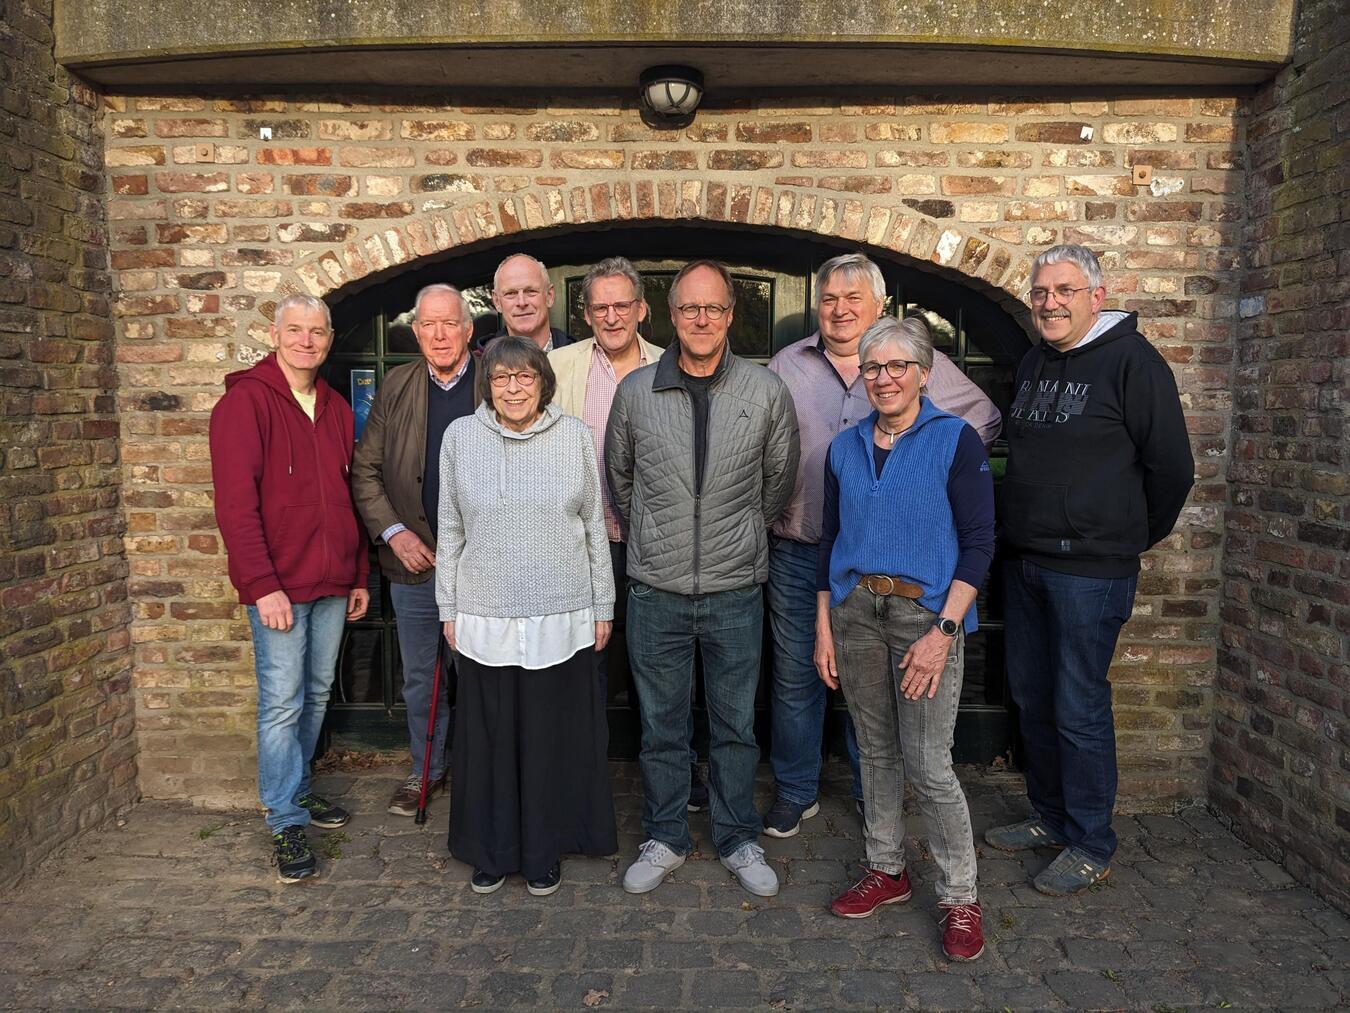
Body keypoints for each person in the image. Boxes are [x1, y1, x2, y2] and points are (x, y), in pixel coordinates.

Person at [764, 252, 1001, 837]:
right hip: (804, 547)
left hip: (885, 565)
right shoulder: (786, 364)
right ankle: (796, 790)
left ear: (878, 306)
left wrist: (921, 477)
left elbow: (983, 418)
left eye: (854, 299)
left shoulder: (915, 361)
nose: (840, 309)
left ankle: (872, 795)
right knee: (799, 678)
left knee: (873, 689)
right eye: (829, 299)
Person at [986, 244, 1193, 895]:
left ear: (1096, 297)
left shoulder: (1135, 364)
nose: (1049, 303)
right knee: (1033, 698)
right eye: (1040, 292)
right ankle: (1050, 816)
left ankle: (1091, 841)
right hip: (1026, 561)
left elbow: (1173, 469)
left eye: (1064, 291)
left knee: (1078, 706)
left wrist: (1121, 536)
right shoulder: (1035, 360)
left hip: (1091, 574)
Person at [607, 259, 800, 898]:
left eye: (713, 308)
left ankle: (737, 836)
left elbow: (777, 485)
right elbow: (622, 481)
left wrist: (733, 535)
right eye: (689, 307)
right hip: (655, 588)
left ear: (730, 315)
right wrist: (660, 537)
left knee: (735, 726)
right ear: (671, 315)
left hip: (735, 588)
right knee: (661, 726)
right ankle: (665, 835)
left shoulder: (765, 392)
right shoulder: (636, 392)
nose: (701, 319)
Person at [815, 315, 994, 962]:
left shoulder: (955, 440)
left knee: (929, 763)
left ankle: (960, 896)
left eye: (897, 366)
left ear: (924, 372)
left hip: (925, 619)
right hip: (856, 614)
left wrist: (945, 631)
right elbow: (829, 541)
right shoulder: (844, 447)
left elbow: (979, 544)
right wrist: (825, 626)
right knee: (876, 750)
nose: (884, 378)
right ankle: (885, 868)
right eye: (873, 367)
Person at [436, 337, 616, 897]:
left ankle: (543, 850)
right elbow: (450, 528)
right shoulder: (460, 438)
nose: (513, 389)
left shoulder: (574, 436)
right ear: (488, 385)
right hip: (484, 613)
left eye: (524, 377)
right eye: (501, 378)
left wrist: (603, 605)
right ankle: (491, 850)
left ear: (543, 381)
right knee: (491, 741)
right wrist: (448, 607)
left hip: (561, 614)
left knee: (547, 738)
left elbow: (594, 525)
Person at [209, 294, 370, 883]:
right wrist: (261, 585)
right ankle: (284, 820)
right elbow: (235, 505)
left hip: (332, 580)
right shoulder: (245, 402)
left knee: (317, 694)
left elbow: (348, 495)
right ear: (275, 335)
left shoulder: (335, 406)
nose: (307, 341)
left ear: (329, 339)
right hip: (278, 585)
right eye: (295, 330)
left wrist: (357, 574)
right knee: (282, 703)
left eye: (317, 332)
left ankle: (297, 790)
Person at [549, 258, 711, 811]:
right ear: (586, 313)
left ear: (643, 309)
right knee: (584, 665)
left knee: (663, 667)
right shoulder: (558, 367)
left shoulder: (675, 365)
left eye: (622, 305)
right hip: (579, 546)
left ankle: (677, 774)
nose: (612, 316)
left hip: (656, 545)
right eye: (601, 307)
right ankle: (583, 778)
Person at [351, 284, 476, 817]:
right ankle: (426, 770)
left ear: (468, 329)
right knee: (423, 677)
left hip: (480, 567)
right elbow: (366, 471)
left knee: (481, 675)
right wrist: (395, 533)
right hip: (414, 565)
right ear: (416, 331)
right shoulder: (397, 385)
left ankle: (482, 775)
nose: (439, 335)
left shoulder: (495, 381)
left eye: (449, 323)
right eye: (428, 324)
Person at [480, 253, 578, 351]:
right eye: (511, 293)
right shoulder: (482, 360)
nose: (522, 302)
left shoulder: (580, 357)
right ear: (497, 302)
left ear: (549, 296)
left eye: (531, 291)